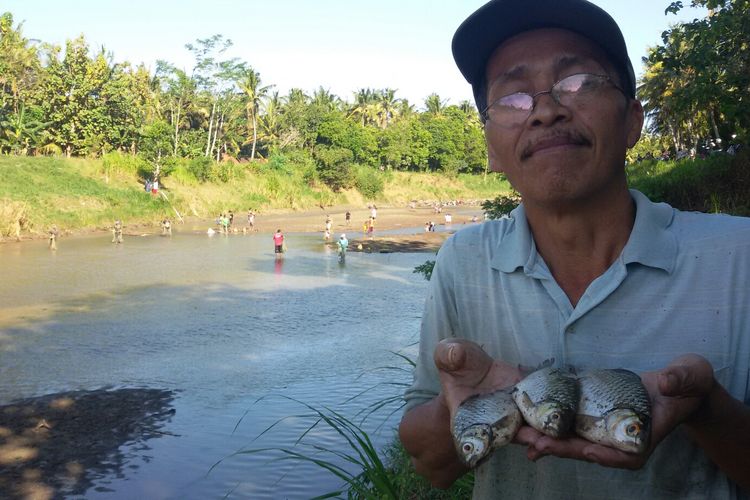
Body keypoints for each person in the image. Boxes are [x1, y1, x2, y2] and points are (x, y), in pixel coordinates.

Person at [398, 1, 750, 498]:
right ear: (493, 150)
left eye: (578, 82)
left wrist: (708, 408)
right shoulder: (463, 261)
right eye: (514, 98)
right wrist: (465, 407)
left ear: (631, 121)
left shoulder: (740, 256)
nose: (545, 110)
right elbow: (430, 466)